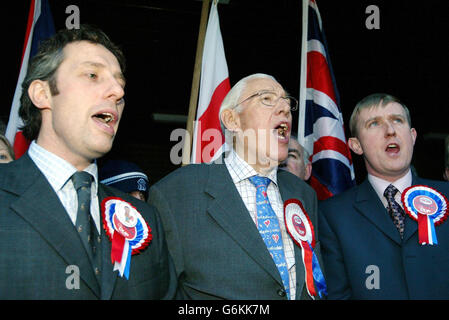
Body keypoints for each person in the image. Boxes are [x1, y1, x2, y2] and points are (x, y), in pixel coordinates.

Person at [0, 25, 177, 299]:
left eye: (121, 84)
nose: (117, 91)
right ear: (42, 94)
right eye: (93, 75)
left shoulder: (144, 219)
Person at [149, 73, 326, 300]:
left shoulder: (303, 193)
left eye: (286, 101)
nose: (284, 108)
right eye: (267, 99)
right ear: (232, 120)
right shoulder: (177, 193)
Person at [319, 93, 449, 299]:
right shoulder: (333, 215)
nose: (390, 131)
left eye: (398, 120)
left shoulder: (446, 197)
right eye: (374, 124)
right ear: (356, 145)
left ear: (413, 136)